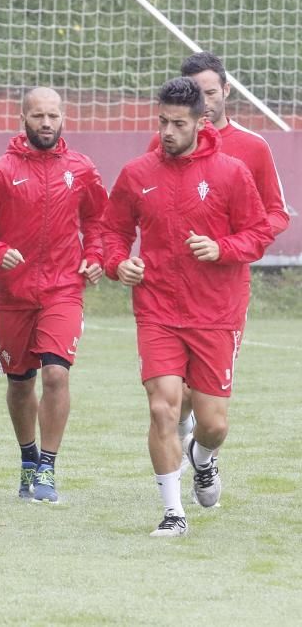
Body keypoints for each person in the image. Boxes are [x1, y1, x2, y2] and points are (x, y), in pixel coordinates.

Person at [103, 77, 273, 537]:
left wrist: (221, 248)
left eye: (179, 123)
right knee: (163, 408)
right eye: (163, 122)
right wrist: (120, 264)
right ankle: (173, 513)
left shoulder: (231, 172)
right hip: (157, 309)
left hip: (215, 313)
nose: (168, 132)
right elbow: (111, 231)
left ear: (202, 121)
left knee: (213, 424)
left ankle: (202, 456)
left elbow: (258, 232)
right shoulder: (137, 173)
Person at [0, 88, 107, 504]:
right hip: (14, 296)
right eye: (38, 115)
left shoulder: (81, 169)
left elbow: (100, 220)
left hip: (63, 289)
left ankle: (48, 466)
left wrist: (95, 255)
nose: (46, 123)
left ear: (64, 118)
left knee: (57, 374)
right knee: (21, 384)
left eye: (53, 116)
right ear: (22, 117)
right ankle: (27, 458)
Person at [146, 52, 291, 457]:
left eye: (211, 92)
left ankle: (202, 454)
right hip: (168, 293)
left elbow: (276, 214)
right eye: (197, 94)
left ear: (226, 91)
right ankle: (174, 489)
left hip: (223, 293)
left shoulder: (252, 147)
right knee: (175, 392)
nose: (205, 102)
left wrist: (228, 245)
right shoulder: (162, 145)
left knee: (202, 398)